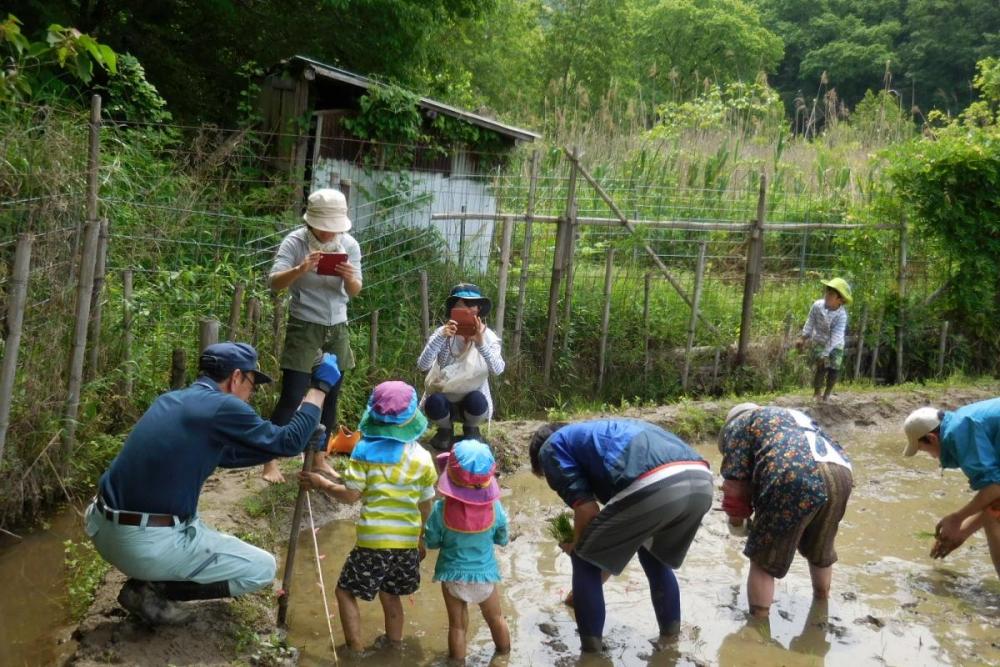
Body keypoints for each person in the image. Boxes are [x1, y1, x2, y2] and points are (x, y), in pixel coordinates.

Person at [85, 343, 341, 625]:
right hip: (142, 544)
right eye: (252, 385)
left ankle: (151, 577)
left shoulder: (174, 401)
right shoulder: (223, 405)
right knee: (262, 569)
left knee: (194, 522)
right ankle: (149, 591)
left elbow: (228, 455)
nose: (250, 395)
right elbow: (287, 440)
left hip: (103, 529)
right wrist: (319, 387)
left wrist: (296, 443)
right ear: (236, 378)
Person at [529, 419, 713, 653]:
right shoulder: (597, 434)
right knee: (654, 556)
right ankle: (670, 642)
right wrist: (583, 591)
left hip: (654, 481)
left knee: (583, 558)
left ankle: (591, 655)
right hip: (701, 480)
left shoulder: (551, 448)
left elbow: (587, 510)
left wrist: (576, 544)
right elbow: (611, 546)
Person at [299, 381, 437, 652]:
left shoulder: (364, 452)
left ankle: (356, 651)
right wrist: (420, 539)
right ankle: (394, 646)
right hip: (407, 542)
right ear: (410, 419)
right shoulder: (423, 458)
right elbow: (426, 506)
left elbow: (351, 496)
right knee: (391, 596)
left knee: (344, 592)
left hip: (373, 542)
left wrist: (321, 483)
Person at [262, 188, 362, 483]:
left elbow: (355, 291)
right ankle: (270, 460)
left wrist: (349, 277)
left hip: (337, 325)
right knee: (292, 395)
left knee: (330, 395)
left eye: (335, 228)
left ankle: (318, 458)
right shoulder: (295, 242)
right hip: (304, 324)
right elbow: (275, 283)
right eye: (324, 227)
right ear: (311, 222)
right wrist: (301, 268)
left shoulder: (350, 244)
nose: (330, 234)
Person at [718, 403, 853, 617]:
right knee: (821, 549)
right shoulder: (789, 415)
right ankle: (821, 608)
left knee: (763, 558)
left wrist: (737, 523)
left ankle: (758, 626)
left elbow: (735, 490)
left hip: (792, 473)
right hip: (841, 472)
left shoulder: (739, 425)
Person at [424, 439, 511, 662]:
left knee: (457, 626)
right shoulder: (495, 507)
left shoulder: (440, 509)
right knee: (496, 619)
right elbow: (502, 536)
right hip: (485, 577)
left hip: (452, 576)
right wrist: (499, 539)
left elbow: (431, 540)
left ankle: (457, 662)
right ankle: (504, 655)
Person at [902, 401, 1000, 578]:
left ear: (932, 438)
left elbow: (995, 488)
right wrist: (962, 532)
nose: (933, 457)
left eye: (926, 451)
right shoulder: (960, 420)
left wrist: (957, 518)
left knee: (995, 520)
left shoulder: (960, 431)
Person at [417, 283, 504, 451]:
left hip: (473, 402)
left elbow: (498, 370)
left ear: (478, 309)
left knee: (477, 401)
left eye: (470, 305)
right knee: (433, 402)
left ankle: (471, 429)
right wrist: (441, 337)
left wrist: (481, 344)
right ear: (452, 310)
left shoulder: (489, 337)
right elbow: (423, 365)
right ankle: (445, 430)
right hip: (444, 398)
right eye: (460, 306)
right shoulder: (442, 333)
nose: (466, 310)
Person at [796, 277, 852, 402]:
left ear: (840, 300)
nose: (827, 296)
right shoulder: (817, 306)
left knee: (834, 368)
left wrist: (826, 353)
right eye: (827, 292)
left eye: (831, 294)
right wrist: (803, 337)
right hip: (820, 341)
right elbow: (810, 322)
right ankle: (817, 393)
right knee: (821, 366)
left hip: (836, 345)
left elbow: (836, 336)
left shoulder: (841, 316)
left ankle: (827, 393)